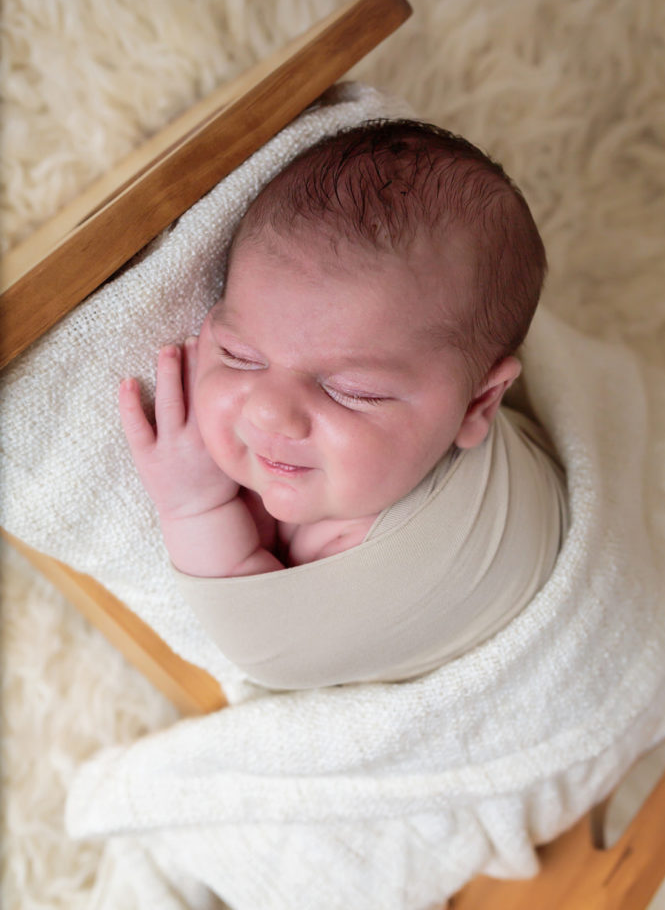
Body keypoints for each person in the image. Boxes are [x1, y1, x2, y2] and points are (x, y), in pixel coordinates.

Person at [119, 120, 567, 689]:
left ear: (480, 404)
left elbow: (263, 651)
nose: (271, 414)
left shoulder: (382, 559)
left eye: (354, 392)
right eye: (239, 355)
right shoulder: (389, 442)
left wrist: (194, 504)